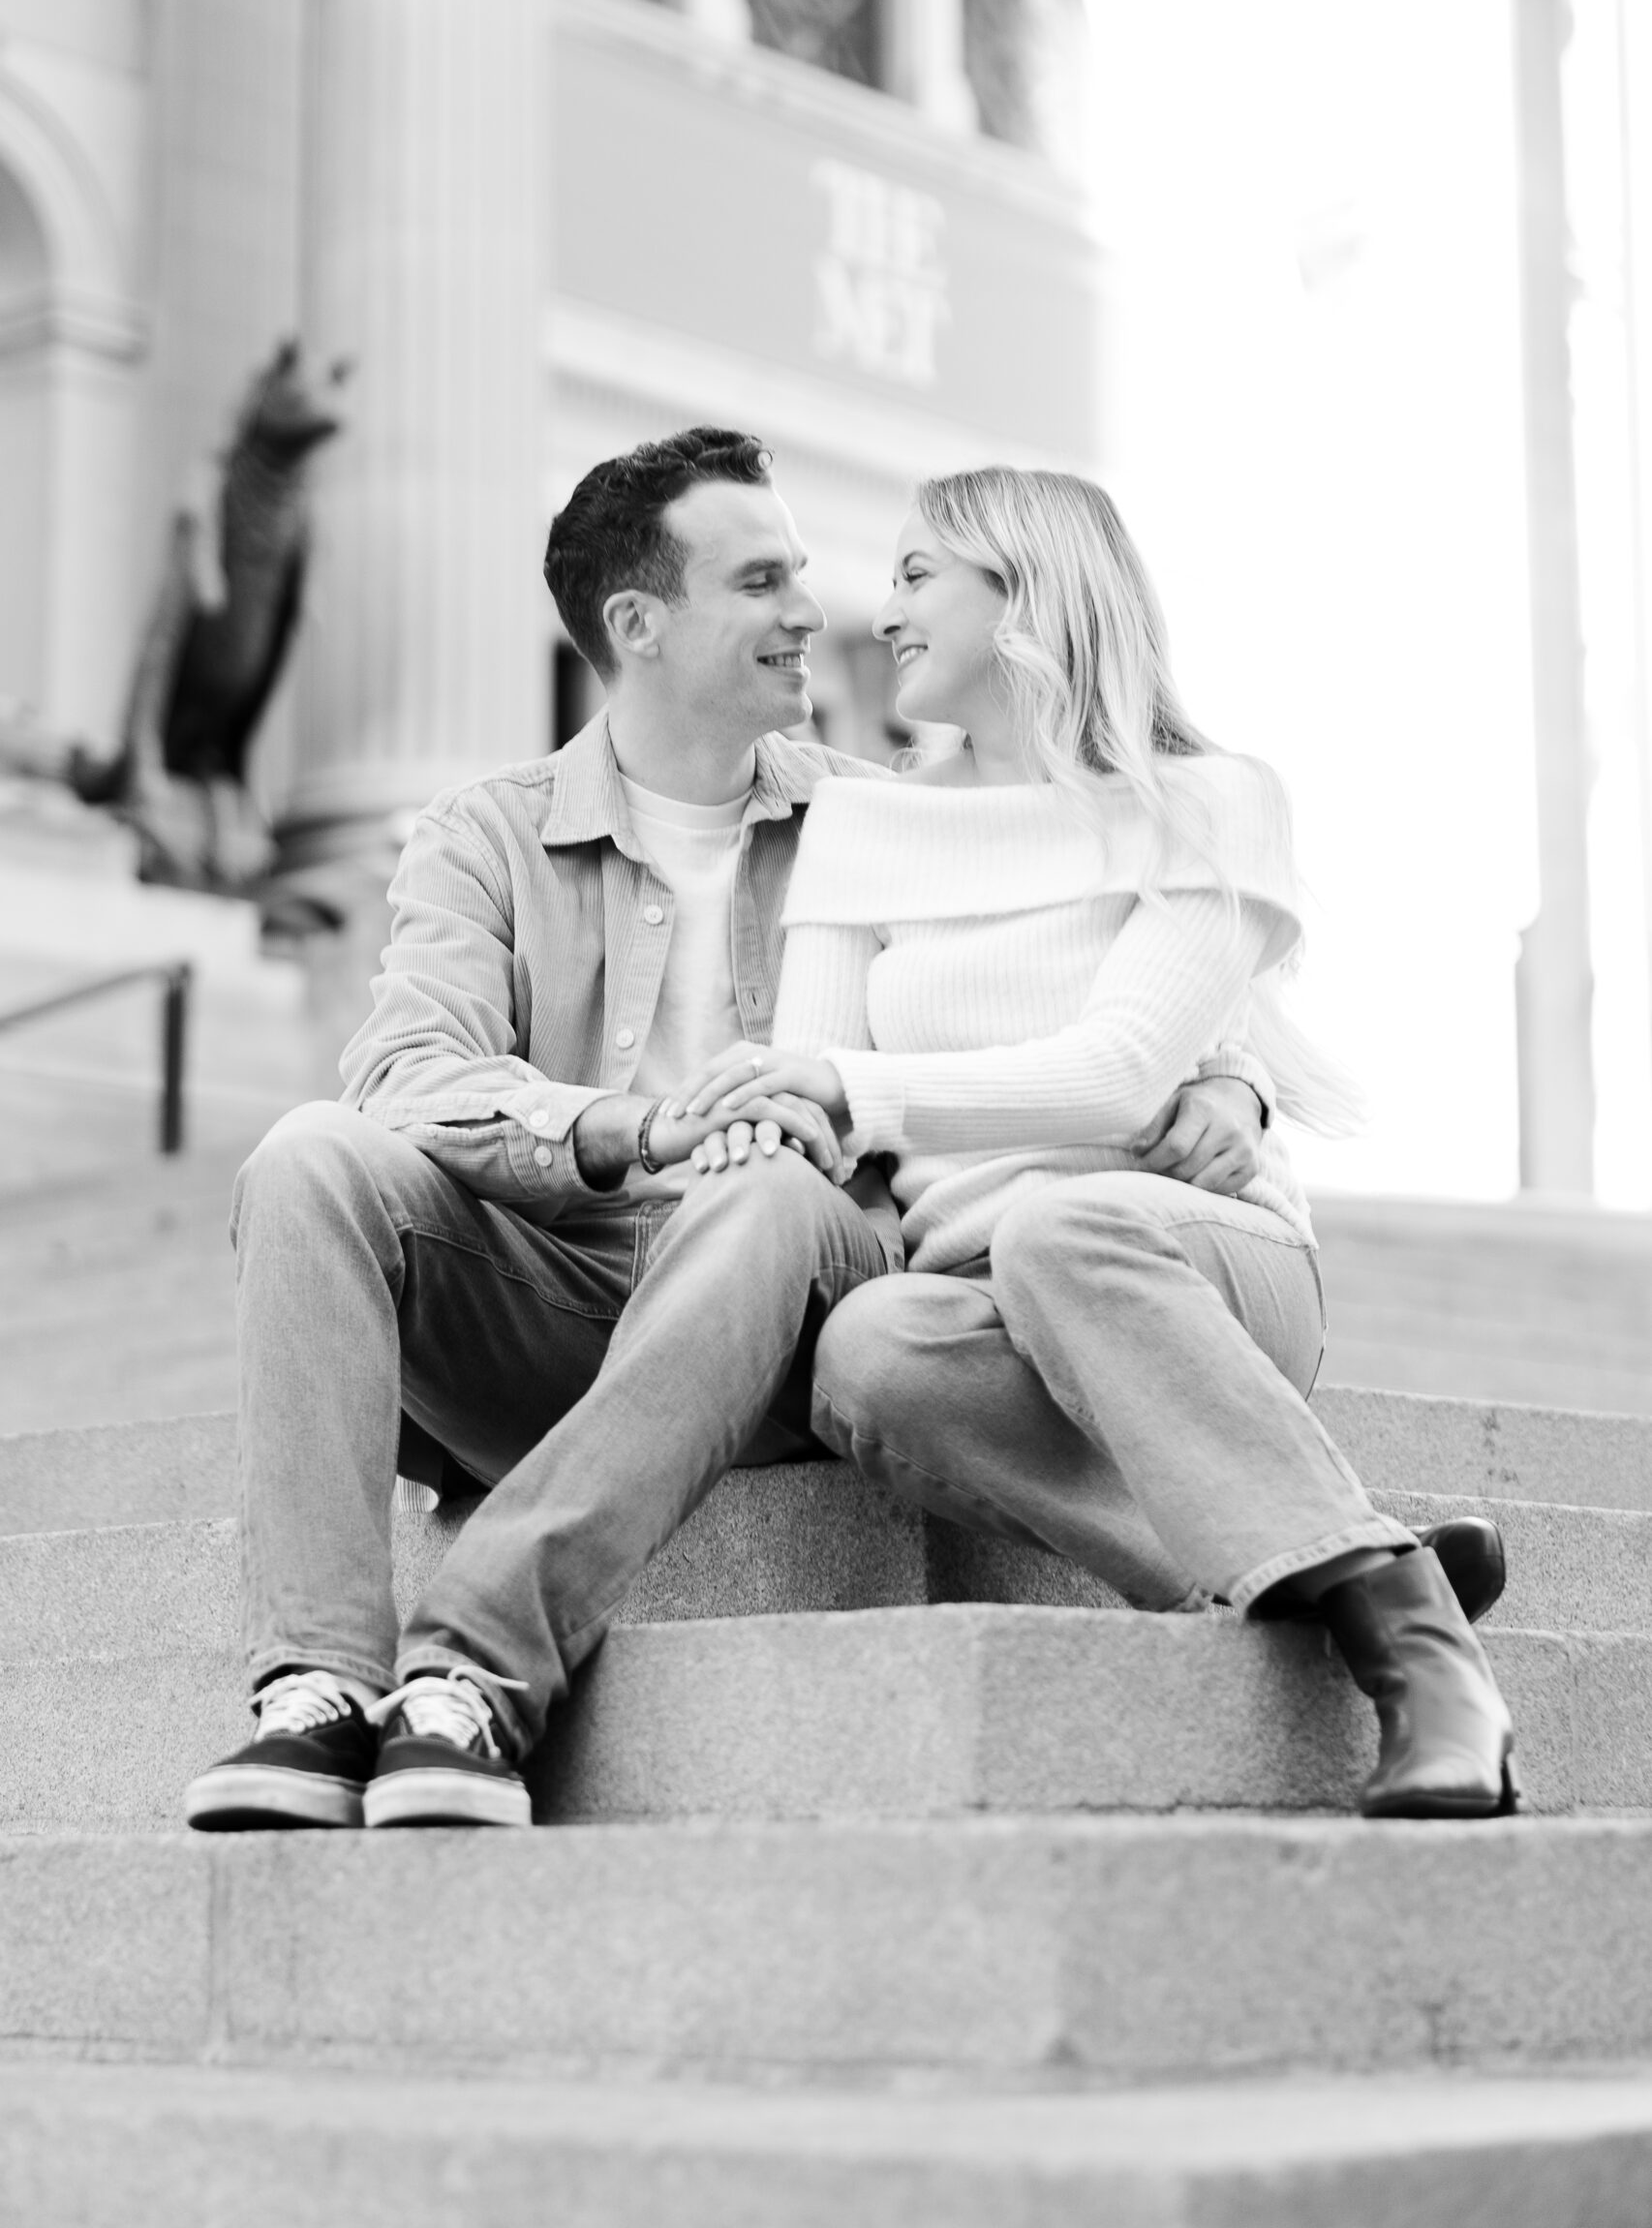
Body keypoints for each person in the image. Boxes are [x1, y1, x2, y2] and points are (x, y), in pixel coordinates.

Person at [182, 429, 1271, 1833]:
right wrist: (632, 1130)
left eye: (800, 574)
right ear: (638, 623)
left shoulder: (881, 813)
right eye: (761, 582)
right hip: (563, 1291)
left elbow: (1102, 940)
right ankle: (320, 1691)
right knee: (308, 1156)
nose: (811, 611)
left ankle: (475, 1670)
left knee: (764, 1192)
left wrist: (1228, 1079)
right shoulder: (485, 836)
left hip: (799, 1301)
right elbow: (406, 1074)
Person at [670, 467, 1518, 1821]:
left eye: (916, 575)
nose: (879, 613)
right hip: (978, 1296)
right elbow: (824, 1115)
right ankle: (1355, 1580)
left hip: (1186, 1260)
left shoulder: (1211, 800)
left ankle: (1428, 1676)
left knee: (1059, 1223)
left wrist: (852, 1086)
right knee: (870, 1353)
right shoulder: (863, 827)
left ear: (1026, 592)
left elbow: (1121, 1074)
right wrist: (759, 1116)